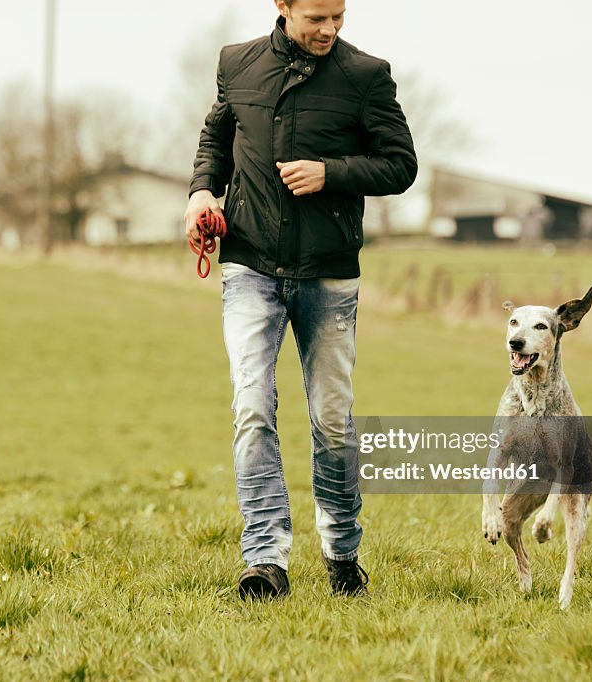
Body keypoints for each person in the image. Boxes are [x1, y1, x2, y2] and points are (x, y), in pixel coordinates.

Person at [184, 0, 417, 599]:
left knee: (332, 420)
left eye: (338, 17)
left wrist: (330, 172)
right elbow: (217, 137)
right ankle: (266, 560)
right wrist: (201, 193)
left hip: (329, 271)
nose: (330, 29)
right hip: (250, 264)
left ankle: (342, 552)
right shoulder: (237, 64)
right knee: (252, 408)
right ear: (283, 8)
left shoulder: (366, 75)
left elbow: (400, 165)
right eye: (317, 17)